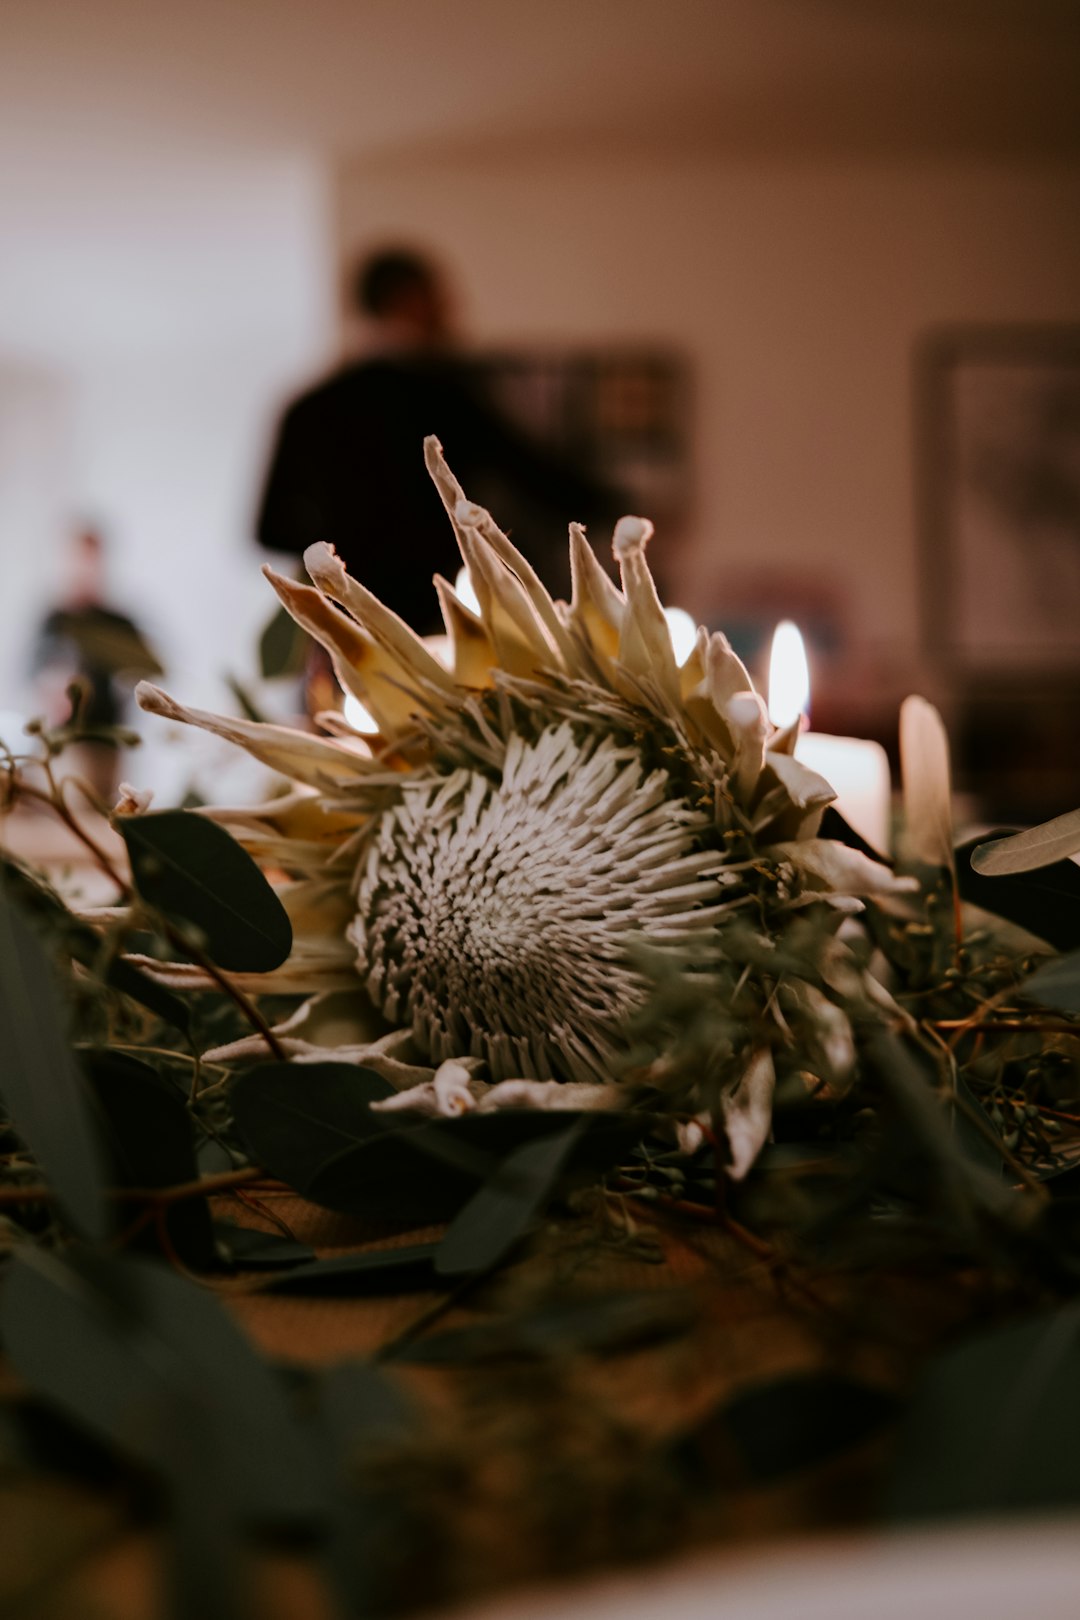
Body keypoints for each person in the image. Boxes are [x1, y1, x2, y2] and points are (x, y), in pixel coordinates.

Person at [256, 248, 626, 632]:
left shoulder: (308, 409)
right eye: (438, 299)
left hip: (347, 625)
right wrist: (618, 508)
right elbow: (530, 476)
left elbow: (270, 528)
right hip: (442, 620)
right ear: (408, 300)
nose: (452, 311)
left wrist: (340, 552)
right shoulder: (445, 398)